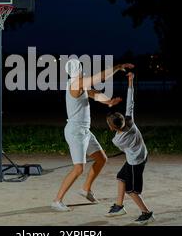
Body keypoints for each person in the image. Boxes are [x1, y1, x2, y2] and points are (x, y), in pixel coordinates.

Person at [51, 59, 134, 212]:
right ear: (78, 70)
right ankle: (57, 200)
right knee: (78, 169)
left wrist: (108, 101)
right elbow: (100, 78)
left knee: (101, 159)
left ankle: (86, 189)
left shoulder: (79, 84)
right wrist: (118, 67)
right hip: (75, 131)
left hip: (84, 131)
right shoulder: (75, 84)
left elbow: (94, 94)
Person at [105, 72, 154, 225]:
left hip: (135, 162)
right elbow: (130, 102)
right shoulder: (130, 121)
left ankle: (146, 213)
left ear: (113, 128)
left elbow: (123, 147)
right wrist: (131, 82)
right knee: (121, 177)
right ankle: (119, 206)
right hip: (142, 154)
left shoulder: (117, 140)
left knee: (131, 191)